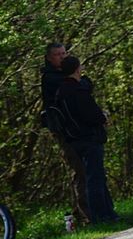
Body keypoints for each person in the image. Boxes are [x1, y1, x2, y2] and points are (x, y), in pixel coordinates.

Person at [55, 55, 119, 224]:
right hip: (89, 138)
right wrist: (103, 117)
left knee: (93, 178)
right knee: (95, 179)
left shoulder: (60, 92)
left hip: (73, 140)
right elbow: (92, 115)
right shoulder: (78, 91)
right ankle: (102, 216)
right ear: (77, 69)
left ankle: (108, 214)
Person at [41, 42, 91, 226]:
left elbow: (86, 85)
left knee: (86, 169)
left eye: (64, 53)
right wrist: (78, 77)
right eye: (58, 55)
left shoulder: (65, 75)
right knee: (79, 169)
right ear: (49, 58)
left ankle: (83, 212)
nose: (62, 57)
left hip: (77, 129)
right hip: (63, 131)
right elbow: (78, 86)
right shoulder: (51, 78)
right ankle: (86, 216)